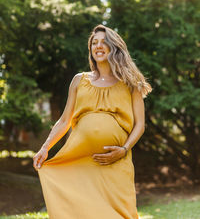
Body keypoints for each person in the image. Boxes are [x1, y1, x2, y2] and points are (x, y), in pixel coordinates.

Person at [33, 24, 152, 219]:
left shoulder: (130, 83)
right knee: (84, 211)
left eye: (104, 42)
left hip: (116, 161)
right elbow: (64, 121)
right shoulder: (79, 80)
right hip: (81, 160)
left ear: (114, 47)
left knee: (121, 213)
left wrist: (124, 150)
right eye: (94, 43)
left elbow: (140, 124)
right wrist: (45, 147)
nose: (98, 46)